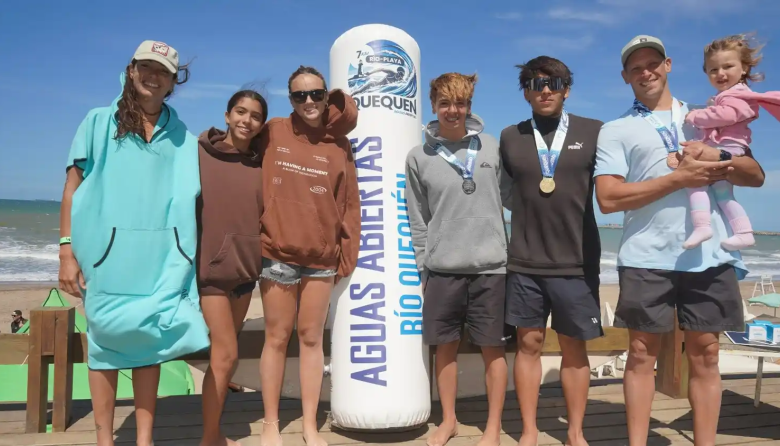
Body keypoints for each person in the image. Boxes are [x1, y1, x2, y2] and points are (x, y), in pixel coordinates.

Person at [594, 35, 766, 446]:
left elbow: (755, 175)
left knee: (706, 353)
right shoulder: (615, 129)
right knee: (639, 353)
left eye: (653, 63)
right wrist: (678, 179)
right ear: (625, 77)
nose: (645, 71)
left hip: (710, 254)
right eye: (636, 67)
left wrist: (720, 159)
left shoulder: (708, 113)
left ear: (668, 65)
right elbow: (608, 199)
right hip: (645, 254)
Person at [58, 40, 211, 446]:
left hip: (163, 260)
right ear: (130, 70)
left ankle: (145, 440)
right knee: (104, 343)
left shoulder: (186, 138)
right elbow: (72, 188)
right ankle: (104, 440)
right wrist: (66, 249)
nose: (153, 76)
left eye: (162, 71)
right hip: (106, 259)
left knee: (151, 343)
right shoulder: (96, 122)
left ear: (173, 82)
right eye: (146, 67)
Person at [499, 56, 604, 446]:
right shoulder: (510, 136)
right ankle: (528, 431)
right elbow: (504, 193)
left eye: (554, 82)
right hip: (524, 260)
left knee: (574, 348)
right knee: (528, 345)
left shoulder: (595, 131)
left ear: (567, 88)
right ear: (525, 91)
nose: (545, 90)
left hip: (577, 260)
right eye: (536, 83)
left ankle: (575, 432)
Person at [257, 65, 360, 446]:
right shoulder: (273, 132)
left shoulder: (339, 144)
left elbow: (349, 203)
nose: (309, 102)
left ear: (325, 94)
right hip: (277, 252)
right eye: (300, 96)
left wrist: (346, 251)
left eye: (316, 94)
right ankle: (270, 424)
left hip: (321, 257)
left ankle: (310, 425)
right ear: (291, 100)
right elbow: (239, 155)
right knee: (276, 337)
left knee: (311, 339)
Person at [406, 73, 510, 446]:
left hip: (491, 269)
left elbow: (514, 198)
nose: (454, 111)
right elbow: (417, 219)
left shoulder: (493, 147)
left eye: (461, 103)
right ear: (433, 106)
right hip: (442, 271)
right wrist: (424, 265)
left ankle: (493, 428)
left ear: (470, 105)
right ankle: (448, 420)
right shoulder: (419, 157)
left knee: (493, 350)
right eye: (446, 103)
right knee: (444, 349)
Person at [196, 89, 268, 446]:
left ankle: (213, 429)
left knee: (224, 357)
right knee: (226, 355)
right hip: (209, 273)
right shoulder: (198, 154)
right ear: (227, 115)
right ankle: (210, 438)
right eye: (240, 112)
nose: (246, 120)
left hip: (245, 275)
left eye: (255, 116)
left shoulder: (261, 164)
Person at [682, 33, 780, 250]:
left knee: (695, 182)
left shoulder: (736, 95)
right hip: (728, 145)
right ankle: (743, 232)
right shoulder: (730, 94)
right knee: (722, 193)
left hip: (727, 146)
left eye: (728, 66)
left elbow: (727, 115)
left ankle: (702, 226)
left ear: (744, 68)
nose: (721, 73)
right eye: (713, 69)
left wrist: (695, 116)